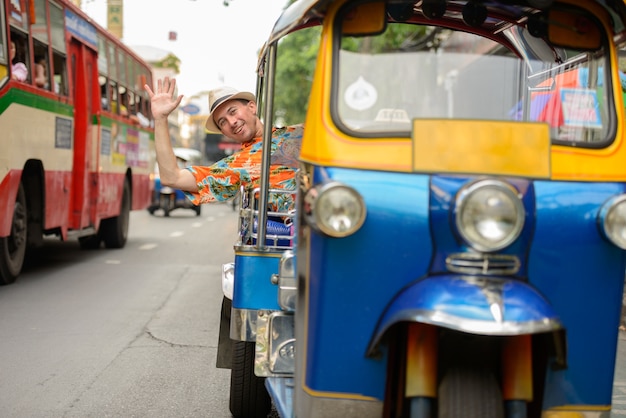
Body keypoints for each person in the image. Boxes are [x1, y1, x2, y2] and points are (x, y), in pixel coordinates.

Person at [144, 77, 302, 212]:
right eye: (222, 122)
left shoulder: (298, 134)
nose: (232, 122)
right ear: (224, 133)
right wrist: (160, 119)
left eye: (233, 111)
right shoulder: (236, 165)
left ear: (252, 107)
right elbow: (172, 178)